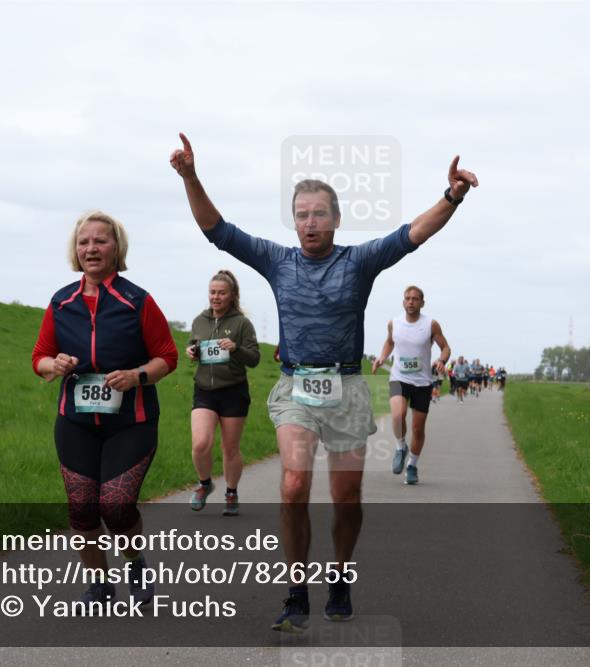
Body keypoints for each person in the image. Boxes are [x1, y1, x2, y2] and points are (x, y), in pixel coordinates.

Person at [170, 132, 477, 633]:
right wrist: (190, 176)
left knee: (346, 497)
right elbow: (216, 229)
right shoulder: (277, 261)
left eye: (319, 214)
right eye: (302, 215)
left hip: (347, 389)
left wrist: (451, 196)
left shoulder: (358, 261)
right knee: (292, 486)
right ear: (293, 221)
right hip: (296, 389)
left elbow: (413, 233)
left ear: (336, 220)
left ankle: (339, 576)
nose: (310, 222)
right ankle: (295, 594)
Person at [32, 211, 179, 612]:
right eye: (84, 242)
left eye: (100, 241)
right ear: (75, 251)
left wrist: (137, 376)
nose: (91, 249)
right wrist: (54, 366)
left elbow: (167, 356)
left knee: (115, 506)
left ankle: (135, 564)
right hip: (76, 423)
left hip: (130, 422)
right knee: (81, 508)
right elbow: (39, 357)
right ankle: (98, 583)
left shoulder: (137, 301)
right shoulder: (62, 302)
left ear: (117, 248)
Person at [186, 269, 261, 516]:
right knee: (200, 444)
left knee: (230, 448)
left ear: (232, 295)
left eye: (221, 293)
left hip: (233, 391)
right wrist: (192, 352)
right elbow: (193, 344)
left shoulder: (242, 324)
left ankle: (231, 492)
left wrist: (236, 348)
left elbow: (254, 359)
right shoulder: (200, 320)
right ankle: (204, 484)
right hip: (205, 391)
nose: (215, 297)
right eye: (212, 292)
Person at [372, 286, 450, 486]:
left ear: (422, 303)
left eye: (415, 299)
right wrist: (382, 357)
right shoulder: (394, 323)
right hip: (399, 378)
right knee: (397, 416)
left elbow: (446, 347)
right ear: (403, 301)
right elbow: (390, 342)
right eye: (407, 298)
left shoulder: (430, 325)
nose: (411, 302)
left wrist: (442, 359)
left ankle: (412, 466)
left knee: (418, 428)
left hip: (423, 382)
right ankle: (400, 447)